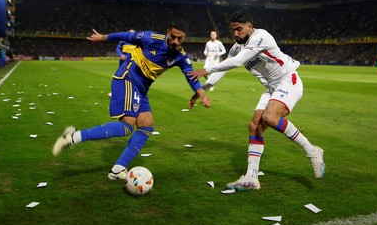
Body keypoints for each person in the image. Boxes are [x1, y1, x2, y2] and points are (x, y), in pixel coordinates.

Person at [52, 20, 211, 180]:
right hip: (127, 78)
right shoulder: (151, 38)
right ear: (167, 32)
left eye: (180, 39)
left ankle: (117, 170)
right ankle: (72, 137)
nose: (175, 41)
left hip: (142, 89)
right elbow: (127, 35)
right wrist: (103, 37)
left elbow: (191, 76)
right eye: (173, 36)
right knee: (126, 126)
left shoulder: (180, 55)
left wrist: (202, 94)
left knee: (146, 125)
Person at [188, 10, 324, 191]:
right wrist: (201, 91)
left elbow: (237, 63)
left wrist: (207, 69)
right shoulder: (237, 48)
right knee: (254, 126)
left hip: (288, 80)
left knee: (270, 118)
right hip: (271, 88)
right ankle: (251, 177)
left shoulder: (262, 37)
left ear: (250, 27)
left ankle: (312, 150)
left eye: (240, 29)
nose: (236, 34)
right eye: (233, 30)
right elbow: (224, 69)